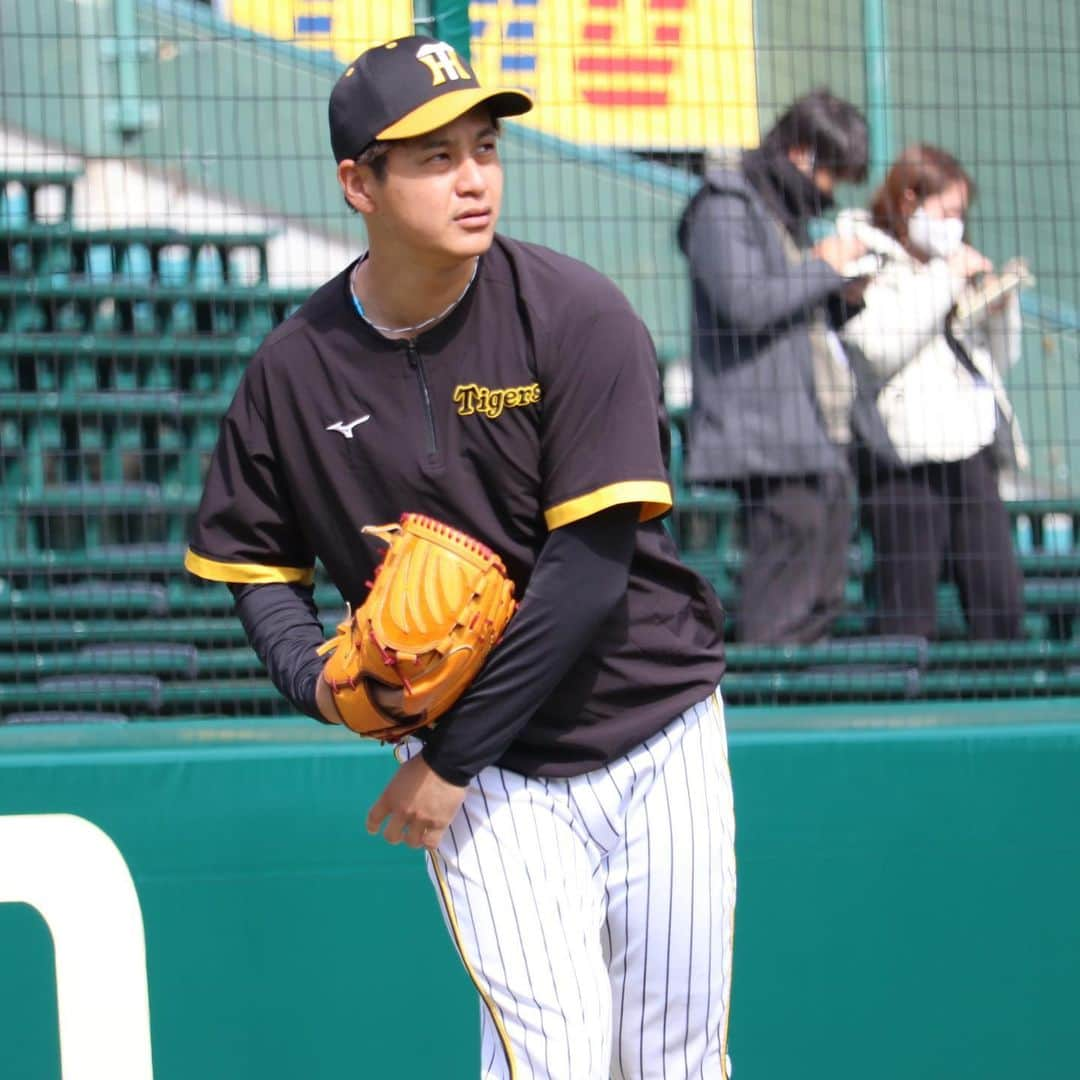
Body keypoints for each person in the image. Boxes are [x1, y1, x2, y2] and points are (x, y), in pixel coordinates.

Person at [184, 36, 734, 1080]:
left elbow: (587, 572)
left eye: (485, 146)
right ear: (360, 184)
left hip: (653, 726)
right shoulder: (293, 373)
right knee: (554, 1056)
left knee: (673, 1060)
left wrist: (444, 763)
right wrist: (316, 684)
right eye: (435, 157)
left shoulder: (577, 315)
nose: (474, 176)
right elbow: (256, 562)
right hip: (499, 781)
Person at [677, 89, 871, 644]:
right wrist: (824, 268)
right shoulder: (724, 205)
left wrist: (846, 291)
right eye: (831, 172)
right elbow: (744, 302)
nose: (830, 191)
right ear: (803, 152)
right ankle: (766, 694)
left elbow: (794, 304)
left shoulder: (786, 216)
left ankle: (801, 692)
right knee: (786, 570)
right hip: (760, 429)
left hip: (811, 427)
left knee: (826, 571)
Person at [838, 143, 1027, 639]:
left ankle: (1006, 696)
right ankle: (904, 707)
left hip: (970, 448)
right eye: (947, 212)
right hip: (903, 458)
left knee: (999, 599)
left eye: (962, 214)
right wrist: (945, 280)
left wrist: (1000, 311)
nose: (955, 225)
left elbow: (1000, 361)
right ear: (908, 200)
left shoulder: (953, 265)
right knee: (907, 610)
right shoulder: (863, 256)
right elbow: (877, 348)